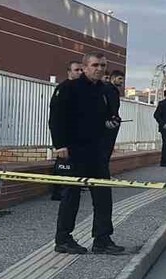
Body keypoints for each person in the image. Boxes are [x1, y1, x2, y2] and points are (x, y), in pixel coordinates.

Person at [49, 52, 123, 255]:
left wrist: (112, 122)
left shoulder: (106, 90)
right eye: (95, 65)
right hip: (74, 150)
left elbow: (110, 116)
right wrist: (60, 145)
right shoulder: (68, 88)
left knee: (103, 196)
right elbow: (56, 118)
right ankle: (63, 239)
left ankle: (102, 239)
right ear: (85, 67)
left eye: (103, 66)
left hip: (97, 151)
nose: (100, 69)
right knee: (71, 195)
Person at [50, 60, 83, 200]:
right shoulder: (64, 88)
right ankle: (59, 192)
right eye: (77, 70)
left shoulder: (81, 88)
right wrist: (59, 143)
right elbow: (56, 117)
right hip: (66, 137)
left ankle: (71, 190)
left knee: (75, 166)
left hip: (79, 137)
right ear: (69, 72)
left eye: (81, 70)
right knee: (63, 164)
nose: (80, 73)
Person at [101, 69, 124, 164]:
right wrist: (113, 117)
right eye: (120, 79)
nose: (121, 81)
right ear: (113, 78)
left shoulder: (111, 89)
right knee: (106, 148)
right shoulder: (110, 89)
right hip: (109, 122)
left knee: (107, 149)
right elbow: (110, 106)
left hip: (110, 121)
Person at [154, 89, 166, 167]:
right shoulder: (162, 104)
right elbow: (156, 115)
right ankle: (164, 161)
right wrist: (163, 124)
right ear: (165, 96)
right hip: (165, 128)